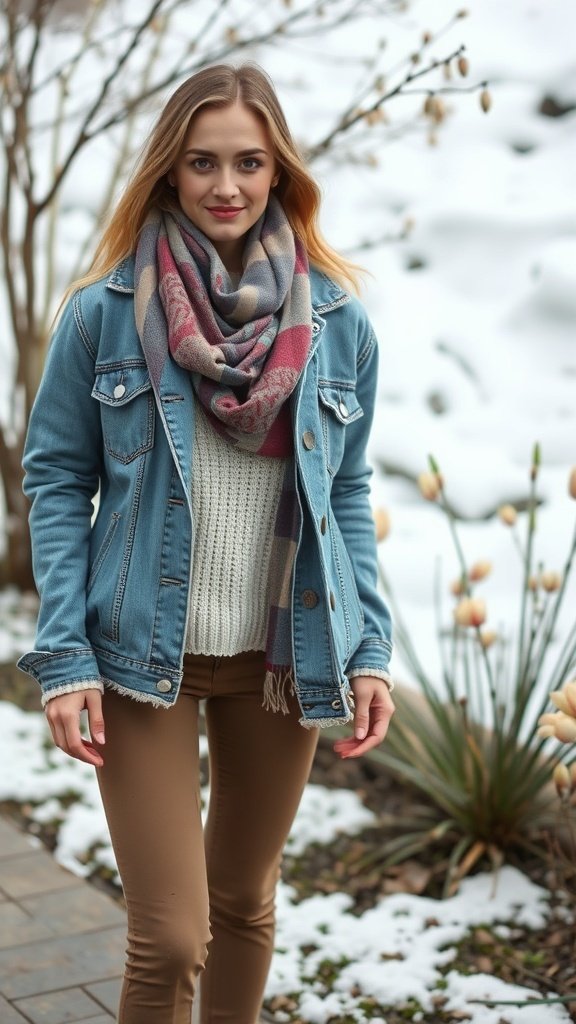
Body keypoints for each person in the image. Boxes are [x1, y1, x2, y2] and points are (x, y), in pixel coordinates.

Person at [17, 62, 395, 1024]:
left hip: (281, 654)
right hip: (140, 653)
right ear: (169, 170)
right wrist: (65, 660)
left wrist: (369, 647)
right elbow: (56, 481)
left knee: (243, 903)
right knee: (173, 937)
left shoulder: (339, 324)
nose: (226, 185)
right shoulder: (104, 315)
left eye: (248, 162)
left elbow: (347, 491)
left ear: (279, 173)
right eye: (202, 162)